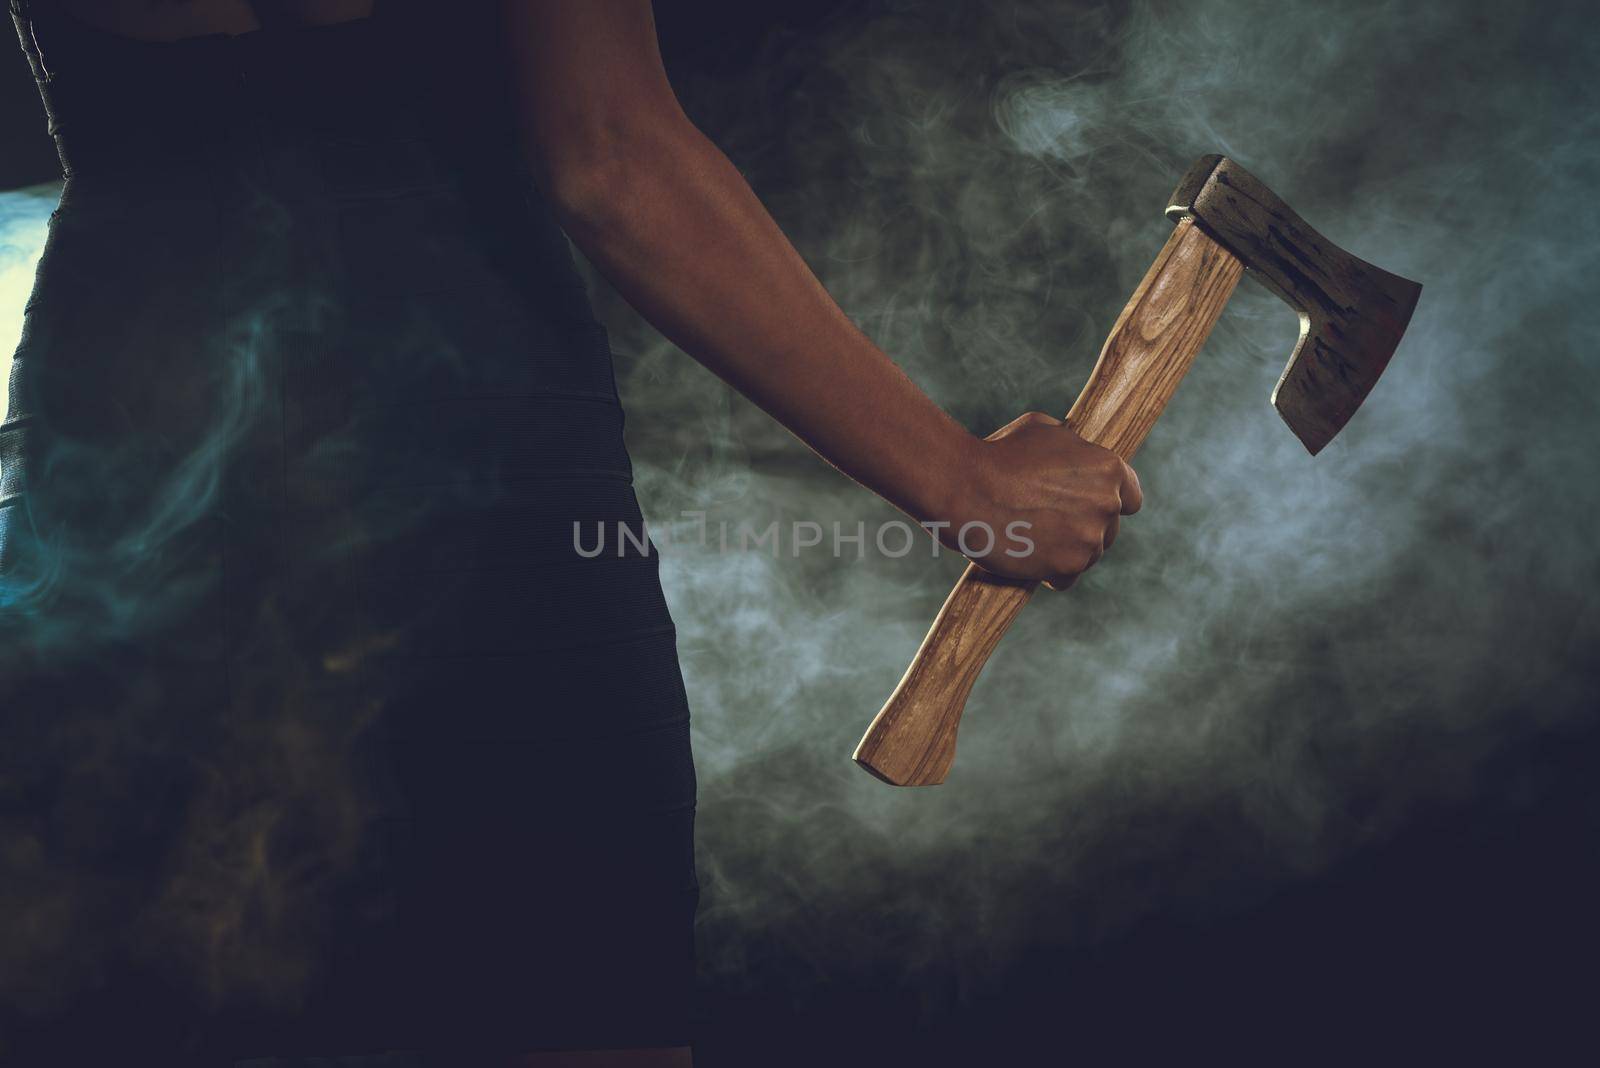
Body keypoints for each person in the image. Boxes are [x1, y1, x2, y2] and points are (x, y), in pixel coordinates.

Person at [0, 2, 1141, 1065]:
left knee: (142, 988)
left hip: (119, 441)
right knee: (555, 1000)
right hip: (465, 454)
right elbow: (609, 159)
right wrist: (962, 479)